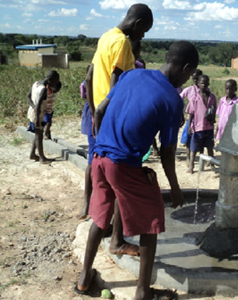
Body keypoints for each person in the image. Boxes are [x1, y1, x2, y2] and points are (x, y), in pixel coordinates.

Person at [75, 40, 198, 300]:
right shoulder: (173, 101)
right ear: (186, 68)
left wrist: (102, 140)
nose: (187, 79)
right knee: (152, 220)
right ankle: (143, 292)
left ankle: (84, 278)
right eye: (189, 74)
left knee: (100, 217)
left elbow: (100, 109)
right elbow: (167, 152)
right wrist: (175, 189)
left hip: (98, 158)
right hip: (123, 165)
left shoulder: (131, 75)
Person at [77, 3, 153, 259]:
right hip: (114, 118)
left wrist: (94, 110)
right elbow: (116, 82)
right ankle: (118, 240)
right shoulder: (121, 42)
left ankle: (109, 234)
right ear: (138, 23)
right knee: (123, 179)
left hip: (102, 116)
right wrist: (109, 114)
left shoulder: (106, 36)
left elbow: (90, 77)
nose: (142, 37)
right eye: (144, 32)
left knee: (106, 181)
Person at [26, 70, 60, 164]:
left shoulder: (35, 84)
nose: (56, 83)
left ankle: (33, 153)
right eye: (55, 81)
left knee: (38, 134)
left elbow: (28, 97)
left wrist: (33, 107)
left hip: (33, 112)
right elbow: (39, 104)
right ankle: (42, 158)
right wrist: (37, 117)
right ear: (50, 80)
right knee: (39, 134)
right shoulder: (43, 89)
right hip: (38, 114)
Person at [186, 74, 217, 174]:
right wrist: (189, 126)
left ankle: (212, 165)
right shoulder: (194, 98)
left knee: (209, 147)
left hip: (209, 127)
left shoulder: (212, 97)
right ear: (198, 84)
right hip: (197, 126)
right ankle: (191, 166)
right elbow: (190, 113)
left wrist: (213, 119)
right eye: (202, 83)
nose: (204, 84)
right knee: (194, 149)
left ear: (208, 84)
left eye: (205, 83)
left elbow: (214, 110)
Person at [179, 69, 203, 166]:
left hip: (201, 120)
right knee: (188, 138)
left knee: (201, 139)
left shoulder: (205, 90)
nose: (196, 80)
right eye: (194, 79)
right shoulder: (188, 90)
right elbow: (179, 98)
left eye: (197, 78)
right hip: (191, 119)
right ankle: (188, 157)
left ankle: (202, 158)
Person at [80, 65, 91, 137]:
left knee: (88, 120)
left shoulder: (83, 84)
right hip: (97, 102)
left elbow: (83, 96)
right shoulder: (98, 82)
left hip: (88, 103)